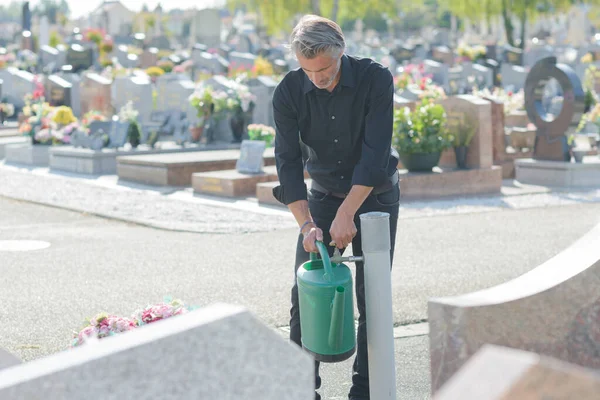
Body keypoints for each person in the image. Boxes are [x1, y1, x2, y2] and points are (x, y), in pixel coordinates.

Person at [271, 14, 400, 400]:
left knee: (371, 295)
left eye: (325, 69)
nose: (318, 78)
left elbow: (375, 155)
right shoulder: (288, 92)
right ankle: (302, 390)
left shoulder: (376, 79)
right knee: (304, 294)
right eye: (308, 70)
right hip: (323, 197)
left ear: (341, 51)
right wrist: (306, 224)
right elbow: (287, 162)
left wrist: (349, 213)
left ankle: (365, 391)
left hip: (375, 196)